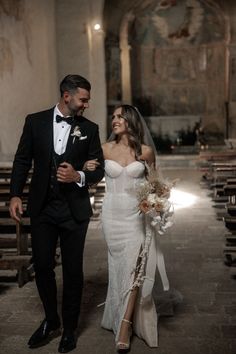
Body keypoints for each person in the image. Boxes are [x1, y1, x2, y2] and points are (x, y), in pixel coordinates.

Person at [9, 74, 104, 353]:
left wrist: (77, 175)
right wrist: (15, 194)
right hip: (41, 208)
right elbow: (22, 159)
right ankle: (52, 321)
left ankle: (70, 329)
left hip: (74, 210)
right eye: (83, 99)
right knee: (43, 267)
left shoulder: (90, 128)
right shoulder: (34, 121)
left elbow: (98, 170)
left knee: (73, 272)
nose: (87, 104)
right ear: (67, 96)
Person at [84, 104, 173, 352]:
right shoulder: (104, 149)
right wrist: (88, 168)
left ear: (131, 120)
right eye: (112, 116)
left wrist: (158, 200)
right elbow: (89, 175)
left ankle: (124, 326)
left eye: (119, 116)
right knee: (118, 268)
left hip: (135, 217)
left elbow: (156, 185)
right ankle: (118, 314)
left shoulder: (145, 152)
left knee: (136, 268)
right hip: (111, 216)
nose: (114, 120)